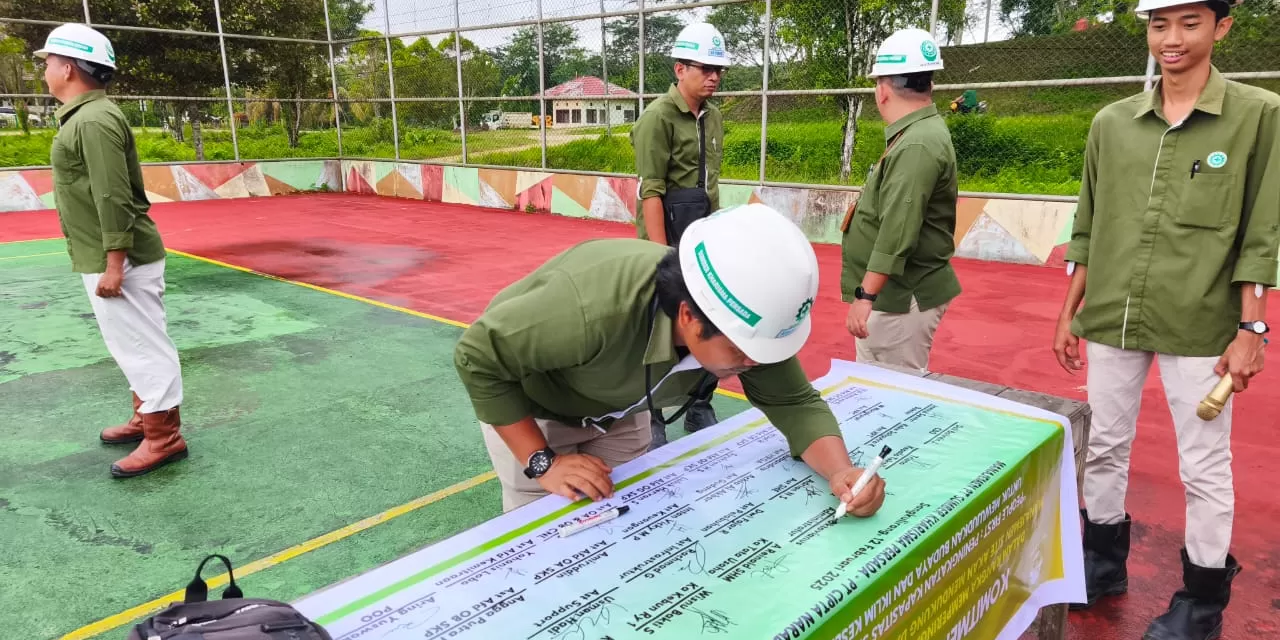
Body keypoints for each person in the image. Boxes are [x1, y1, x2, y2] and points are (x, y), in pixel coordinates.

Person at [1052, 1, 1276, 637]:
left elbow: (1263, 234)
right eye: (1159, 24)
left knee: (1203, 466)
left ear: (1221, 26)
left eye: (1189, 22)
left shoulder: (1258, 116)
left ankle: (1201, 603)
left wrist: (1252, 330)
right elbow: (1087, 226)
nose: (1171, 38)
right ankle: (1102, 563)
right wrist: (1068, 313)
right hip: (1112, 317)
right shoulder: (1112, 123)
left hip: (1200, 323)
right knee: (1103, 445)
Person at [454, 203, 887, 518]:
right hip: (537, 412)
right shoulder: (592, 308)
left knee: (628, 519)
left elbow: (793, 402)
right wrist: (542, 462)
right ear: (688, 317)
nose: (756, 363)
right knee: (549, 536)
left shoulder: (747, 321)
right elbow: (479, 357)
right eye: (741, 352)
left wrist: (842, 472)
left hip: (621, 409)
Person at [37, 23, 189, 479]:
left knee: (144, 345)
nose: (45, 71)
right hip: (108, 254)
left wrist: (115, 262)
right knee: (130, 343)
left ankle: (164, 437)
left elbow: (111, 194)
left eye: (48, 62)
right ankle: (146, 417)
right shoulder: (86, 116)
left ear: (68, 67)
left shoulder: (93, 120)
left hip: (122, 258)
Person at [629, 22, 730, 447]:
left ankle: (699, 404)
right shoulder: (657, 118)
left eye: (718, 69)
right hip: (666, 239)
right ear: (679, 69)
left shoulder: (714, 117)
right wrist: (660, 256)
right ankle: (652, 415)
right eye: (705, 68)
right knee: (661, 327)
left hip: (701, 238)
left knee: (711, 319)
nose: (713, 76)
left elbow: (711, 185)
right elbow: (650, 190)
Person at [841, 28, 961, 372]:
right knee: (879, 387)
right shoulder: (917, 134)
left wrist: (865, 295)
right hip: (896, 295)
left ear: (882, 90)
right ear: (929, 85)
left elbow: (898, 230)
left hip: (900, 297)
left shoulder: (917, 144)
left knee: (891, 392)